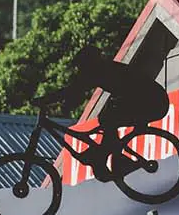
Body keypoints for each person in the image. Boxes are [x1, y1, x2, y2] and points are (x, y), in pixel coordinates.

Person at [69, 44, 171, 177]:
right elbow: (75, 91)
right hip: (148, 100)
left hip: (153, 102)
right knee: (107, 117)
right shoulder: (103, 69)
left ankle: (113, 159)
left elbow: (73, 91)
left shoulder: (102, 72)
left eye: (81, 67)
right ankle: (104, 156)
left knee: (108, 119)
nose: (80, 71)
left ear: (89, 63)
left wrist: (46, 101)